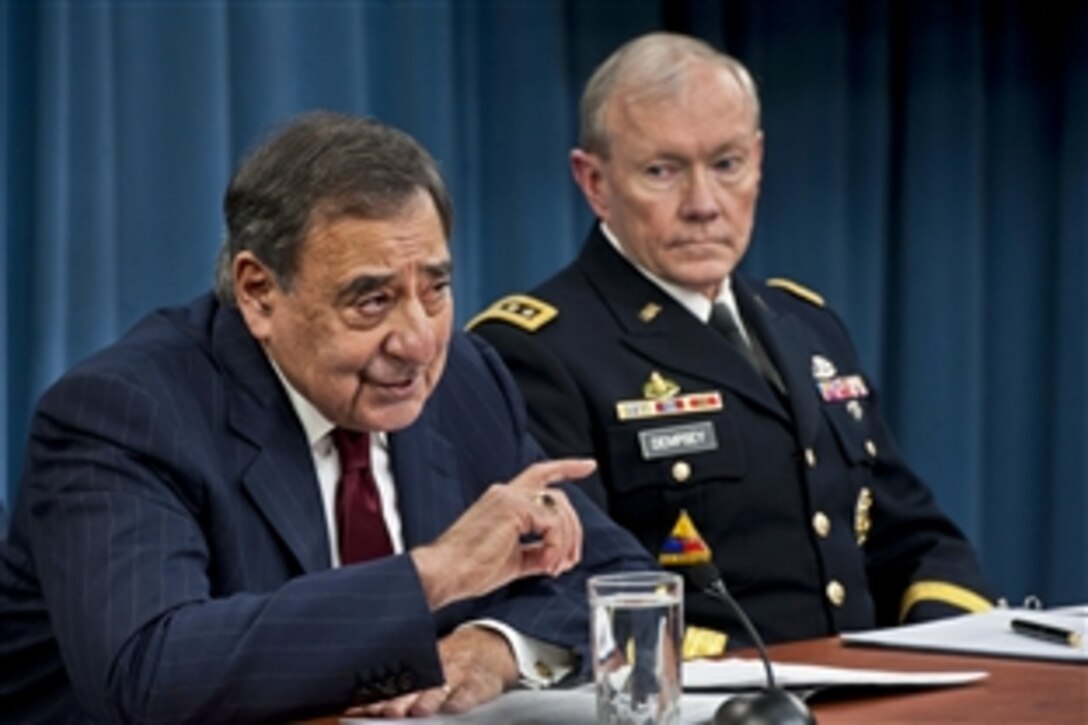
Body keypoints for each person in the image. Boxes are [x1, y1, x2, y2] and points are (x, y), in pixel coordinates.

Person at [0, 111, 656, 722]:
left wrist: (496, 645)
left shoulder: (465, 379)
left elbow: (618, 577)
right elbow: (149, 670)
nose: (419, 340)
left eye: (436, 288)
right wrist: (437, 573)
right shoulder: (126, 412)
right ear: (258, 291)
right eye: (372, 300)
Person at [470, 32, 993, 650]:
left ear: (759, 159)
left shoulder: (808, 326)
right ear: (594, 183)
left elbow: (915, 538)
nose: (704, 205)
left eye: (726, 165)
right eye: (662, 171)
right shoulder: (536, 349)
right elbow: (572, 584)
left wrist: (938, 655)